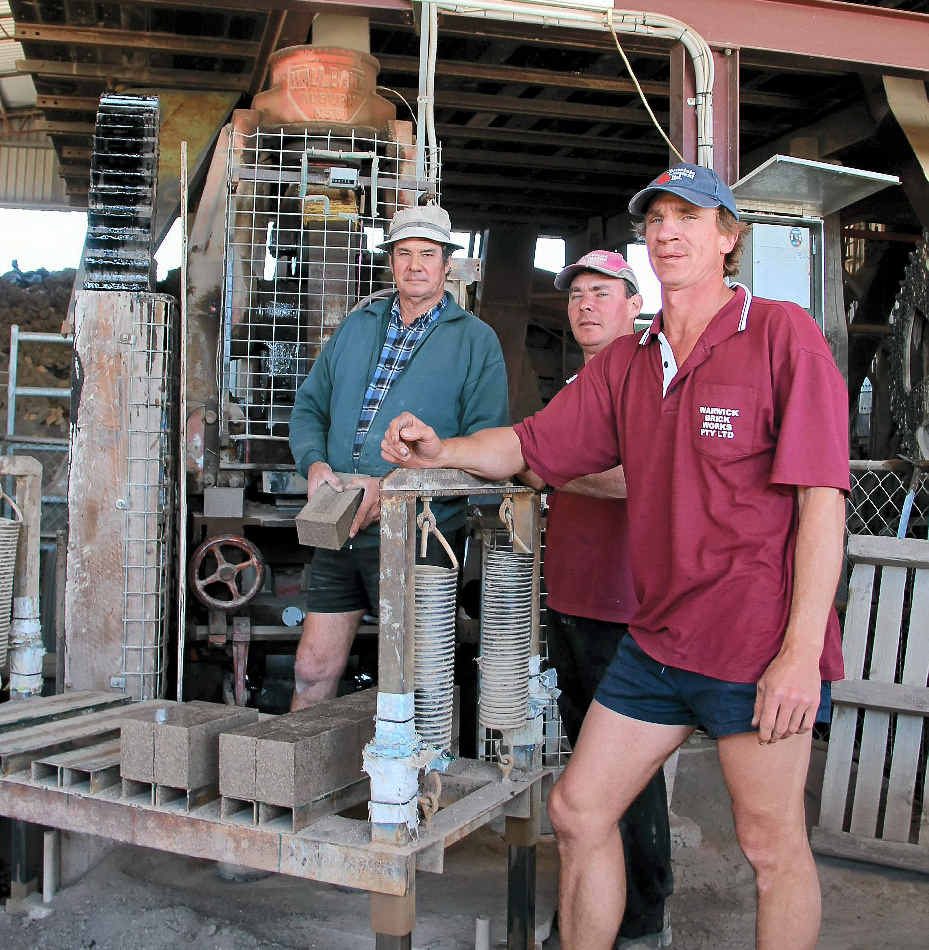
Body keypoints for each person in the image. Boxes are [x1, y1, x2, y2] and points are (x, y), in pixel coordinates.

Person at [381, 163, 849, 950]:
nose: (667, 232)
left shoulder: (779, 335)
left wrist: (800, 654)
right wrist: (441, 450)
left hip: (754, 638)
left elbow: (821, 503)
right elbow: (528, 445)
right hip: (658, 637)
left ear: (726, 238)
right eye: (655, 220)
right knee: (577, 810)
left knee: (769, 847)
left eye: (688, 217)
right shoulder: (630, 361)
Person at [288, 203, 509, 711]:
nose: (415, 265)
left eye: (427, 254)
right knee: (311, 669)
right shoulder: (357, 325)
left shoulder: (475, 341)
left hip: (422, 533)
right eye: (404, 253)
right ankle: (297, 764)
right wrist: (315, 464)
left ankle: (416, 766)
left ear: (447, 263)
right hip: (339, 524)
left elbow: (486, 449)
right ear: (390, 261)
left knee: (416, 683)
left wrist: (392, 488)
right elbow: (308, 410)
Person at [541, 250, 671, 950]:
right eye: (576, 295)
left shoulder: (653, 377)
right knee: (585, 776)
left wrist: (546, 469)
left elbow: (640, 477)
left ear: (633, 305)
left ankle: (643, 919)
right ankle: (590, 911)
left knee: (629, 774)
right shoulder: (577, 385)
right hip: (571, 596)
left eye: (601, 293)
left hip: (624, 606)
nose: (586, 305)